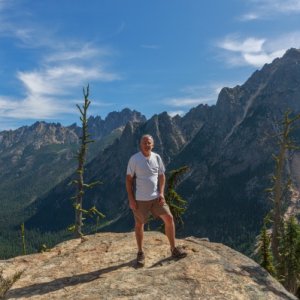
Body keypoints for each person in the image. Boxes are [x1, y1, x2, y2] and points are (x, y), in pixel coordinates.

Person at [126, 134, 187, 266]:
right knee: (139, 224)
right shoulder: (134, 159)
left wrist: (161, 192)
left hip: (156, 198)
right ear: (140, 145)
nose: (147, 145)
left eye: (149, 143)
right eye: (144, 143)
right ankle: (140, 252)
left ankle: (173, 248)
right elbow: (128, 180)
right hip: (141, 199)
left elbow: (162, 176)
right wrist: (131, 199)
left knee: (169, 219)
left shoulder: (157, 157)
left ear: (152, 145)